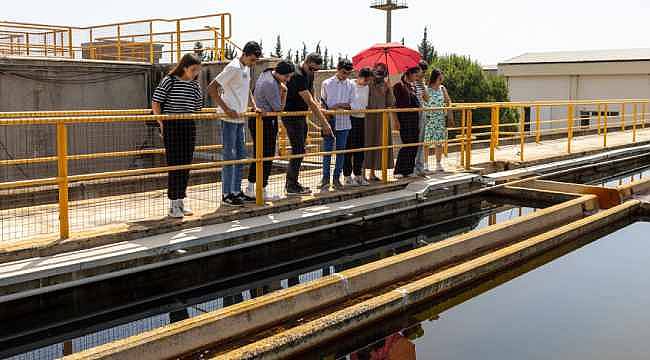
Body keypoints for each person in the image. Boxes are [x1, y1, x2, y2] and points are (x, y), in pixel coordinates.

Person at [208, 41, 262, 207]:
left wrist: (254, 105)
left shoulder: (245, 68)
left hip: (240, 118)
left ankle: (236, 191)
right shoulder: (233, 67)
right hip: (228, 118)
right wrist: (226, 109)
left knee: (240, 155)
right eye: (252, 60)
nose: (253, 64)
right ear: (245, 54)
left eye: (255, 61)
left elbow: (246, 90)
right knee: (229, 155)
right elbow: (212, 88)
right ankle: (227, 193)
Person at [152, 53, 203, 218]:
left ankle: (181, 200)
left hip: (188, 124)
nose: (195, 73)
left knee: (185, 164)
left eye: (197, 70)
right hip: (172, 125)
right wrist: (162, 123)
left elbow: (197, 106)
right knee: (175, 164)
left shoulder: (194, 84)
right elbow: (156, 101)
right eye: (193, 69)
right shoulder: (170, 80)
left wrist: (197, 89)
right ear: (185, 67)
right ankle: (173, 203)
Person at [283, 53, 334, 195]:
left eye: (316, 70)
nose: (314, 72)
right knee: (298, 148)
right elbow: (309, 101)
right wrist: (325, 123)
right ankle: (291, 184)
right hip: (292, 115)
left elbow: (312, 93)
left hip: (301, 115)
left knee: (301, 148)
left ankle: (293, 182)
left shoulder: (309, 74)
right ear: (306, 62)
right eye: (312, 69)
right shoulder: (297, 75)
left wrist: (318, 104)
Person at [245, 60, 295, 201]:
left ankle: (252, 188)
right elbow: (279, 108)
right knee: (266, 156)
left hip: (258, 120)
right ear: (280, 74)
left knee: (259, 155)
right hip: (265, 121)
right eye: (287, 77)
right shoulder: (271, 84)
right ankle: (261, 189)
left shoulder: (266, 73)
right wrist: (284, 91)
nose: (288, 80)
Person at [320, 59, 355, 192]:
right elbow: (322, 102)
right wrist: (327, 114)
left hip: (344, 122)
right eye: (343, 72)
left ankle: (336, 178)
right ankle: (325, 179)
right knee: (327, 152)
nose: (345, 75)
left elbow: (353, 104)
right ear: (337, 69)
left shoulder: (351, 85)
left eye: (348, 73)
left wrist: (338, 105)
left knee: (341, 152)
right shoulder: (326, 83)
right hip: (329, 121)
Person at [364, 63, 395, 182]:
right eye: (378, 71)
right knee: (367, 143)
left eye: (382, 72)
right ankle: (361, 174)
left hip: (382, 119)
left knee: (378, 144)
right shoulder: (368, 83)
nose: (379, 74)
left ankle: (372, 173)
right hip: (369, 119)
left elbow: (391, 103)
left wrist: (389, 88)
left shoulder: (385, 85)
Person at [344, 67, 373, 187]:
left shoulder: (366, 87)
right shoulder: (350, 84)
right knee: (349, 148)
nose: (368, 83)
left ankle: (358, 175)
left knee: (360, 148)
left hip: (362, 118)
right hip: (350, 118)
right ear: (360, 77)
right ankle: (347, 176)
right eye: (367, 80)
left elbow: (364, 102)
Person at [392, 66, 422, 178]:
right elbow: (394, 105)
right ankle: (399, 170)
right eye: (415, 75)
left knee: (414, 143)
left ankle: (409, 169)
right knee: (407, 143)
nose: (417, 78)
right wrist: (396, 120)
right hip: (404, 118)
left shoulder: (412, 86)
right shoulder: (398, 86)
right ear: (409, 74)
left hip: (414, 118)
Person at [424, 68, 453, 172]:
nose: (443, 77)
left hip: (440, 118)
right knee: (426, 142)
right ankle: (425, 164)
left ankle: (438, 163)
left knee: (439, 142)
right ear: (437, 77)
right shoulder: (427, 89)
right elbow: (423, 102)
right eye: (441, 75)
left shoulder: (442, 88)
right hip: (429, 118)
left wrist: (448, 109)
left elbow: (448, 100)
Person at [414, 60, 432, 176]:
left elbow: (426, 98)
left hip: (422, 112)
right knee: (414, 141)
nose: (423, 74)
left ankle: (420, 166)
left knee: (421, 141)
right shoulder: (411, 81)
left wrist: (422, 83)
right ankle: (413, 167)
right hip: (414, 113)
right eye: (422, 71)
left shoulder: (421, 82)